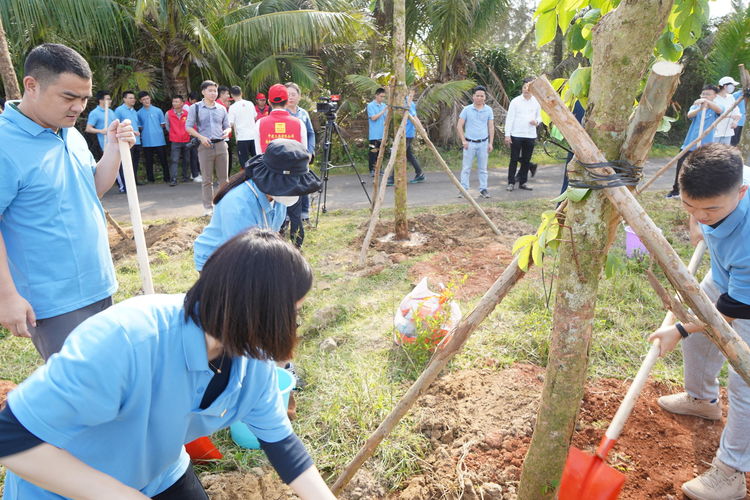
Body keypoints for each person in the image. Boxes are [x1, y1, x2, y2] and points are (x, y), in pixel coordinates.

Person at [0, 229, 337, 500]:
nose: (293, 324)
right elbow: (10, 436)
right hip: (67, 484)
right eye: (291, 312)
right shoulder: (127, 340)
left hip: (158, 474)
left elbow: (283, 446)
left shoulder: (252, 362)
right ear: (256, 309)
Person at [0, 43, 135, 360]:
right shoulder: (4, 144)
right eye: (69, 97)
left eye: (84, 98)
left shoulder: (68, 132)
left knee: (113, 379)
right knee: (83, 395)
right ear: (31, 86)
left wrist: (113, 148)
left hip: (98, 283)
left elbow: (92, 188)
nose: (78, 107)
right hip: (55, 300)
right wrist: (6, 296)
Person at [649, 144, 750, 500]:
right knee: (696, 336)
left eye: (711, 209)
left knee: (745, 384)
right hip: (729, 273)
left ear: (741, 193)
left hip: (746, 291)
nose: (700, 213)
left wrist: (678, 329)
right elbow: (700, 206)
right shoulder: (723, 184)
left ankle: (732, 472)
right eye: (689, 204)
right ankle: (703, 401)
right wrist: (698, 221)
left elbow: (725, 313)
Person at [194, 139, 321, 271]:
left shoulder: (278, 197)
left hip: (252, 254)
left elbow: (271, 236)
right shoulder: (239, 203)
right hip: (220, 262)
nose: (294, 190)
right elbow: (242, 255)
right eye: (290, 185)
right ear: (272, 179)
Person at [256, 84, 308, 247]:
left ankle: (272, 245)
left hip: (270, 178)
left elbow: (259, 155)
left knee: (269, 213)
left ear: (269, 102)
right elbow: (304, 152)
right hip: (293, 177)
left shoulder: (260, 123)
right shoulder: (298, 123)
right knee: (295, 215)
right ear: (286, 102)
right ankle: (296, 247)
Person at [666, 85, 722, 199]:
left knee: (701, 169)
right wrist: (700, 107)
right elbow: (689, 115)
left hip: (705, 145)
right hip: (690, 143)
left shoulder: (717, 106)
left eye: (708, 94)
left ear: (715, 96)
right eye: (703, 94)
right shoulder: (696, 105)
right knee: (681, 165)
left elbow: (720, 110)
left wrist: (707, 102)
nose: (705, 96)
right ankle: (676, 190)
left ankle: (697, 192)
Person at [186, 80, 231, 216]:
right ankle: (208, 207)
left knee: (224, 179)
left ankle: (224, 205)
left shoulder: (221, 108)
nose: (213, 93)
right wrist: (201, 137)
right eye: (210, 90)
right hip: (205, 146)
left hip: (221, 145)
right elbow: (188, 127)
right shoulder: (196, 108)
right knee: (207, 179)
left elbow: (227, 125)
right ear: (203, 92)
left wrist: (227, 131)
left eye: (215, 91)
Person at [285, 82, 315, 227]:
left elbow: (311, 133)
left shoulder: (303, 113)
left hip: (302, 156)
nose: (290, 97)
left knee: (303, 186)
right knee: (287, 186)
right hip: (286, 157)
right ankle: (285, 217)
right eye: (287, 94)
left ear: (299, 96)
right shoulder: (281, 113)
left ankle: (304, 215)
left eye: (293, 94)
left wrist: (310, 151)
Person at [457, 85, 494, 198]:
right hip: (469, 143)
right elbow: (459, 126)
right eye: (477, 95)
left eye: (481, 96)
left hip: (483, 143)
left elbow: (491, 127)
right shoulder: (467, 109)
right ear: (473, 96)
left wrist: (490, 143)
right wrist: (463, 140)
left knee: (483, 169)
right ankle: (464, 189)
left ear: (485, 97)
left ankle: (483, 189)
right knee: (466, 168)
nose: (479, 98)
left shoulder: (488, 110)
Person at [504, 78, 541, 192]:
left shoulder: (536, 102)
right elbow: (509, 119)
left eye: (528, 88)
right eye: (524, 87)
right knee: (514, 159)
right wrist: (507, 134)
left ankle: (523, 182)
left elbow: (540, 117)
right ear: (522, 88)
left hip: (530, 135)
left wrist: (537, 122)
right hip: (516, 134)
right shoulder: (515, 101)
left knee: (526, 160)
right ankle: (511, 183)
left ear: (532, 90)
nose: (526, 90)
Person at [85, 90, 125, 192]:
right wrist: (101, 131)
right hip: (103, 144)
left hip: (115, 143)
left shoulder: (111, 112)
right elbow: (88, 128)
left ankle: (123, 185)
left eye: (110, 99)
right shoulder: (95, 113)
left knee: (119, 164)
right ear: (100, 100)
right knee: (111, 165)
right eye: (107, 99)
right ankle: (122, 186)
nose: (110, 101)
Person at [387, 88, 424, 187]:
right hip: (401, 133)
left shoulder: (408, 102)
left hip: (407, 134)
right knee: (409, 155)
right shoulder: (398, 101)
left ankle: (393, 178)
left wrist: (422, 129)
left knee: (398, 153)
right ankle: (419, 173)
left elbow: (414, 117)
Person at [137, 91, 169, 183]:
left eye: (147, 98)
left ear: (150, 98)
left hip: (159, 140)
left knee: (163, 160)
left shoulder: (158, 110)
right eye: (143, 99)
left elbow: (163, 124)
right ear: (140, 101)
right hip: (147, 141)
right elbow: (140, 126)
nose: (146, 101)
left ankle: (167, 178)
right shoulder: (139, 113)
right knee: (149, 161)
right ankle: (151, 179)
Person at [115, 90, 143, 183]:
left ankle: (134, 181)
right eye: (130, 98)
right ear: (124, 99)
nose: (133, 100)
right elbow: (116, 125)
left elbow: (137, 125)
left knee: (135, 162)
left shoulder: (134, 111)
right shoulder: (119, 110)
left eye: (134, 98)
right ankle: (126, 183)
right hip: (126, 141)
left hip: (136, 141)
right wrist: (131, 131)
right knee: (126, 163)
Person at [228, 85, 258, 168]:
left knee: (244, 161)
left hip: (242, 137)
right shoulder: (250, 103)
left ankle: (247, 178)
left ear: (231, 95)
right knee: (257, 158)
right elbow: (255, 116)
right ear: (241, 93)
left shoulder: (232, 107)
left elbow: (230, 123)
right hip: (253, 136)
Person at [165, 95, 191, 185]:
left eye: (177, 102)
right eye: (173, 102)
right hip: (175, 140)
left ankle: (185, 177)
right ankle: (174, 179)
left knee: (187, 159)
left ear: (182, 103)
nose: (174, 103)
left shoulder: (187, 113)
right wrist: (173, 133)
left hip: (186, 139)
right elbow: (167, 126)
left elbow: (190, 125)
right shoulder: (168, 113)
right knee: (174, 160)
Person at [713, 76, 741, 145]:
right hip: (715, 131)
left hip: (728, 131)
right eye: (732, 85)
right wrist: (730, 117)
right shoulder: (714, 98)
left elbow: (737, 112)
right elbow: (715, 114)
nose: (734, 87)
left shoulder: (731, 97)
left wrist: (735, 121)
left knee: (725, 152)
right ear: (725, 86)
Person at [367, 87, 388, 177]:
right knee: (373, 152)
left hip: (382, 133)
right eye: (381, 96)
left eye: (383, 97)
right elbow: (373, 118)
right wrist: (383, 111)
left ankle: (379, 169)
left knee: (380, 153)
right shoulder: (370, 105)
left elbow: (386, 118)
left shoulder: (384, 105)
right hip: (374, 134)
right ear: (376, 95)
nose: (382, 98)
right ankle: (372, 170)